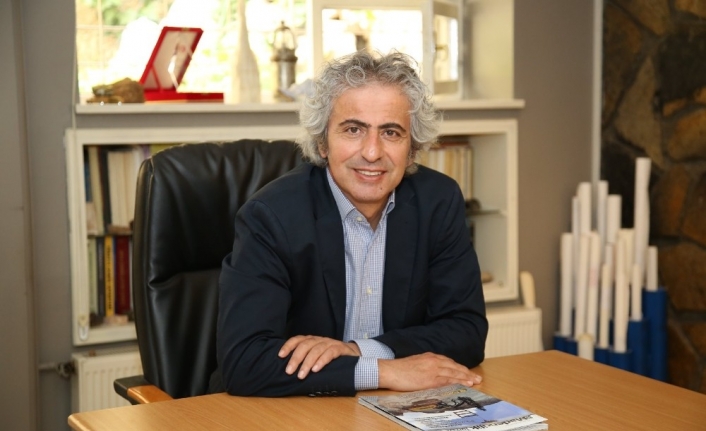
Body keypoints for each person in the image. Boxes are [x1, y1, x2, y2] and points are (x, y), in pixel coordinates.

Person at [212, 50, 488, 397]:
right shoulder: (271, 216)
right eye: (353, 129)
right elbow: (244, 362)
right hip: (289, 410)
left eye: (391, 132)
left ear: (412, 149)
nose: (372, 152)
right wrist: (382, 371)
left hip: (391, 407)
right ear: (322, 142)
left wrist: (358, 351)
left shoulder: (438, 202)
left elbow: (466, 330)